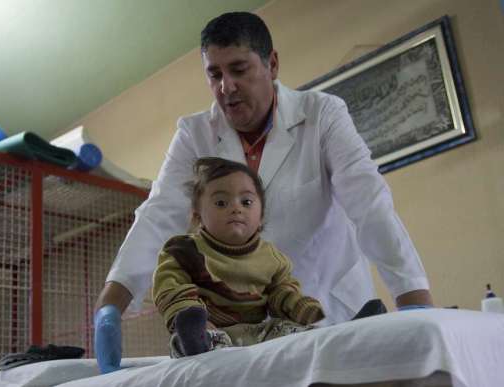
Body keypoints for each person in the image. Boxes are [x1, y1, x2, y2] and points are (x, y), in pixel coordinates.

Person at [94, 11, 433, 373]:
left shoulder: (323, 115)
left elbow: (369, 202)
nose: (226, 87)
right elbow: (158, 215)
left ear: (271, 64)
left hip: (328, 305)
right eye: (215, 74)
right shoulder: (194, 135)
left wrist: (412, 296)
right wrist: (111, 304)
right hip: (244, 329)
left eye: (239, 69)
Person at [153, 157, 325, 357]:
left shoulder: (272, 258)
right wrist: (188, 313)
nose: (236, 208)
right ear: (197, 216)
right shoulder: (183, 250)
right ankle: (192, 341)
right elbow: (171, 287)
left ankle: (346, 333)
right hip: (210, 330)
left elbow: (281, 291)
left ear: (260, 217)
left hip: (258, 333)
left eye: (246, 202)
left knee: (291, 332)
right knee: (194, 339)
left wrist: (298, 307)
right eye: (220, 203)